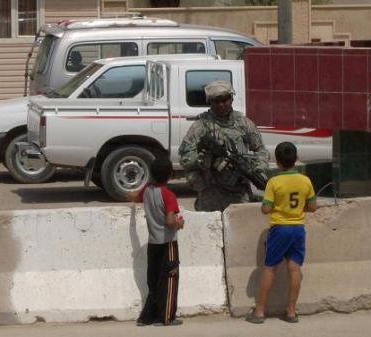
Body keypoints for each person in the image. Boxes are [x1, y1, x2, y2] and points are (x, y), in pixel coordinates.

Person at [246, 142, 317, 324]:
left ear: (277, 161)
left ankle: (260, 310)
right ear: (296, 159)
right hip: (298, 229)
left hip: (280, 229)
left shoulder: (274, 182)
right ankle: (291, 311)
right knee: (295, 270)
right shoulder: (305, 181)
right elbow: (312, 207)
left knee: (270, 268)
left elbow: (266, 209)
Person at [179, 80, 269, 212]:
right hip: (211, 192)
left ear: (231, 99)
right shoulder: (201, 125)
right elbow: (184, 157)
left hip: (239, 191)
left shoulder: (244, 123)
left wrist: (257, 169)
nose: (221, 104)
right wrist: (201, 160)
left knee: (239, 229)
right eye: (216, 101)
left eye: (225, 100)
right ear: (210, 102)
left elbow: (261, 150)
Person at [127, 156, 185, 326]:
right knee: (169, 280)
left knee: (153, 281)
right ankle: (166, 317)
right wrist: (179, 223)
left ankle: (146, 317)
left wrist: (126, 193)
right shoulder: (169, 195)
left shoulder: (147, 190)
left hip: (153, 243)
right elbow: (169, 221)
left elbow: (133, 196)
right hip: (168, 243)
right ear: (170, 175)